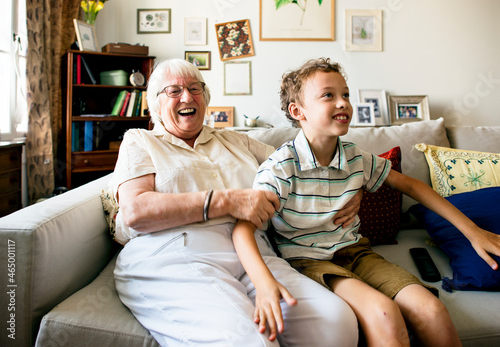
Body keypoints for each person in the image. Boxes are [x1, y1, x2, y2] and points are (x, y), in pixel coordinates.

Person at [232, 58, 500, 347]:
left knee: (431, 310)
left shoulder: (355, 156)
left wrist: (473, 232)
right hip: (307, 260)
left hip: (357, 252)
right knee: (384, 313)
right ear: (299, 111)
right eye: (328, 95)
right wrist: (264, 283)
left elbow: (411, 185)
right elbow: (243, 228)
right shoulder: (281, 167)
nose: (343, 103)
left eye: (345, 94)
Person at [109, 58, 361, 347]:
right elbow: (135, 211)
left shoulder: (236, 140)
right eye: (174, 91)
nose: (188, 97)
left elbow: (306, 165)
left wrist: (356, 190)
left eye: (195, 88)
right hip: (175, 253)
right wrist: (225, 201)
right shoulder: (140, 141)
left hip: (255, 253)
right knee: (249, 341)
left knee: (336, 321)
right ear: (155, 104)